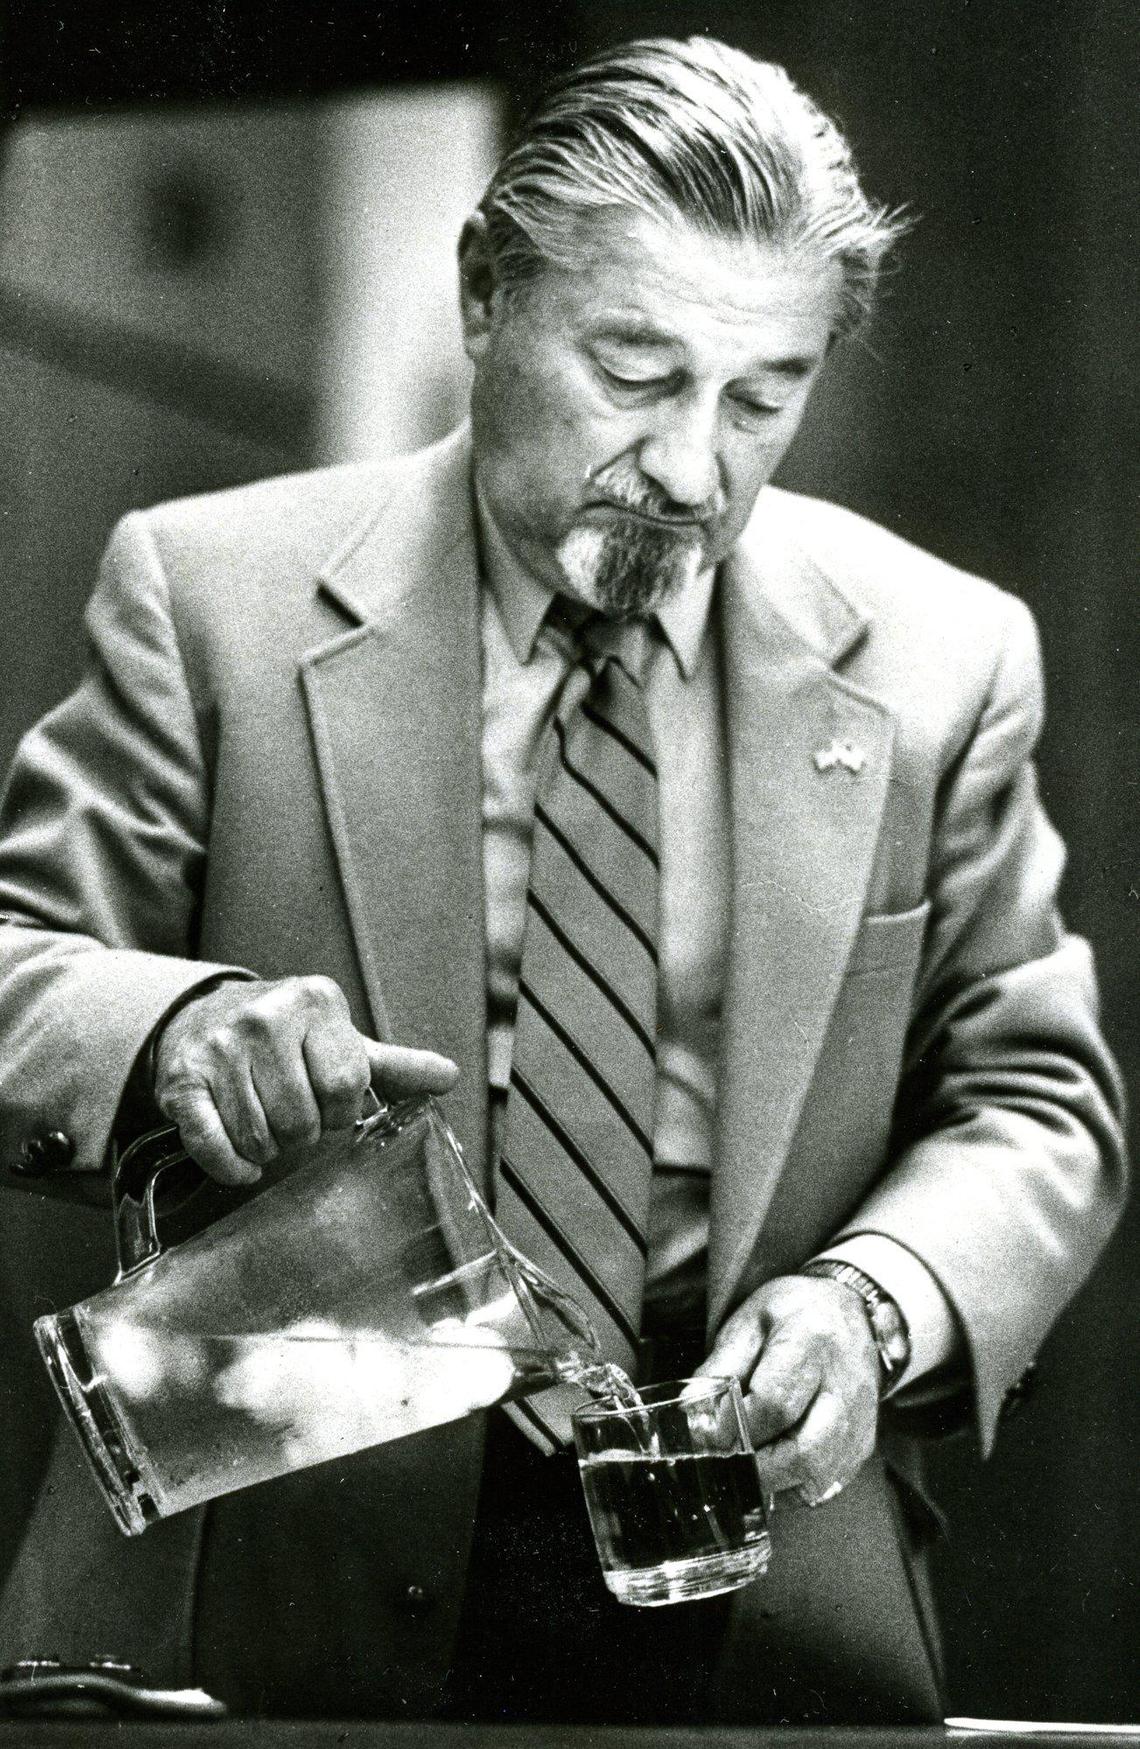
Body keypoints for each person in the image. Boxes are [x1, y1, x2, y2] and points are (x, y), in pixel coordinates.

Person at [0, 35, 1126, 1727]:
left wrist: (873, 1308)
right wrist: (179, 1035)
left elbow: (1041, 1098)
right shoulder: (207, 594)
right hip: (281, 1574)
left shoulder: (951, 659)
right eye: (636, 368)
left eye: (762, 396)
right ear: (485, 295)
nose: (694, 469)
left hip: (758, 1599)